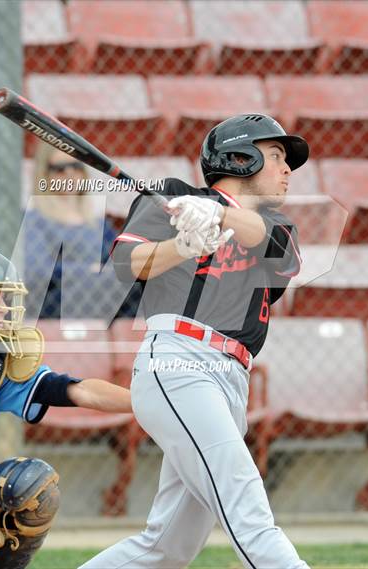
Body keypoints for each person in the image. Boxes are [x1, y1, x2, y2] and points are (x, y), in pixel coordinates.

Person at [79, 114, 311, 569]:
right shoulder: (171, 195)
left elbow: (281, 256)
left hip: (231, 379)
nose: (288, 169)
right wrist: (183, 246)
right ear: (240, 157)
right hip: (180, 363)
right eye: (277, 155)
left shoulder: (278, 224)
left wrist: (219, 215)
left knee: (167, 547)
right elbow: (130, 265)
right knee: (246, 509)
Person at [0, 243, 132, 569]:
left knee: (30, 485)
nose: (5, 309)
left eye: (5, 298)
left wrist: (147, 403)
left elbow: (76, 391)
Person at [24, 142, 141, 319]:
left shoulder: (96, 222)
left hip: (102, 294)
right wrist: (89, 271)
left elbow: (119, 261)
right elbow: (38, 271)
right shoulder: (36, 219)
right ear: (44, 174)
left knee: (141, 285)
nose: (70, 174)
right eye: (60, 169)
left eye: (76, 166)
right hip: (58, 301)